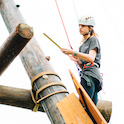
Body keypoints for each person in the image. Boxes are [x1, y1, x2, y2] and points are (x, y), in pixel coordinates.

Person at [61, 16, 102, 106]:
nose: (80, 28)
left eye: (83, 26)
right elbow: (83, 66)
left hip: (91, 76)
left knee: (84, 105)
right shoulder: (82, 46)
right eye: (79, 26)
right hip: (90, 74)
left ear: (90, 27)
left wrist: (74, 53)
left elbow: (91, 58)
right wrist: (78, 61)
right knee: (90, 107)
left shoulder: (93, 40)